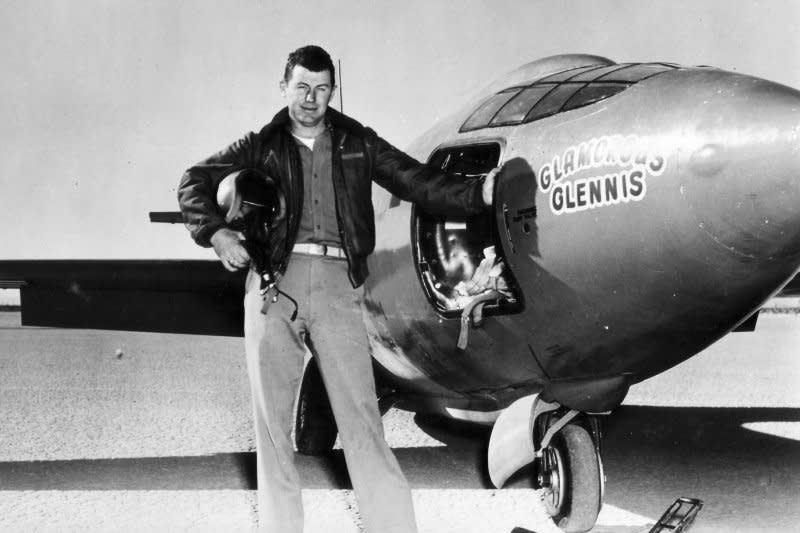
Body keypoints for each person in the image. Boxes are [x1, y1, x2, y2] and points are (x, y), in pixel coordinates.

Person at [178, 44, 499, 533]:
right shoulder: (260, 144)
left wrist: (478, 193)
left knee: (363, 426)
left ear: (333, 90)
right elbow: (193, 182)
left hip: (337, 289)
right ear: (283, 86)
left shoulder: (358, 142)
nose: (311, 98)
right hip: (272, 289)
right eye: (302, 87)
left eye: (322, 89)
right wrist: (217, 233)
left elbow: (418, 181)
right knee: (272, 432)